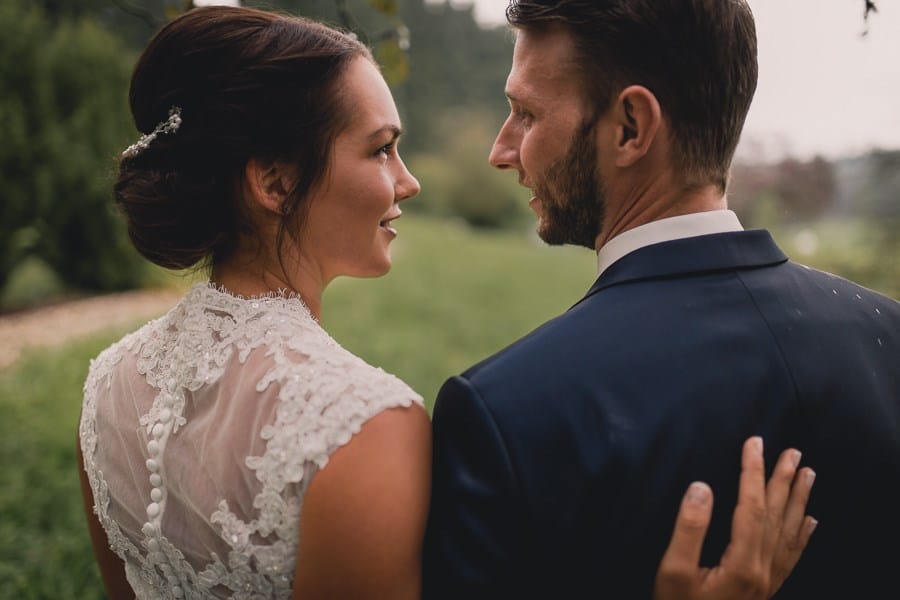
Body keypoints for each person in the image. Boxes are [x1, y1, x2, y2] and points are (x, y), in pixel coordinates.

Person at [77, 6, 814, 600]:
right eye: (379, 150)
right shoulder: (357, 427)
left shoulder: (109, 383)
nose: (409, 182)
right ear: (272, 180)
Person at [422, 0, 900, 598]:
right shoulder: (890, 338)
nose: (501, 149)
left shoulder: (503, 413)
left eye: (525, 113)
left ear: (630, 128)